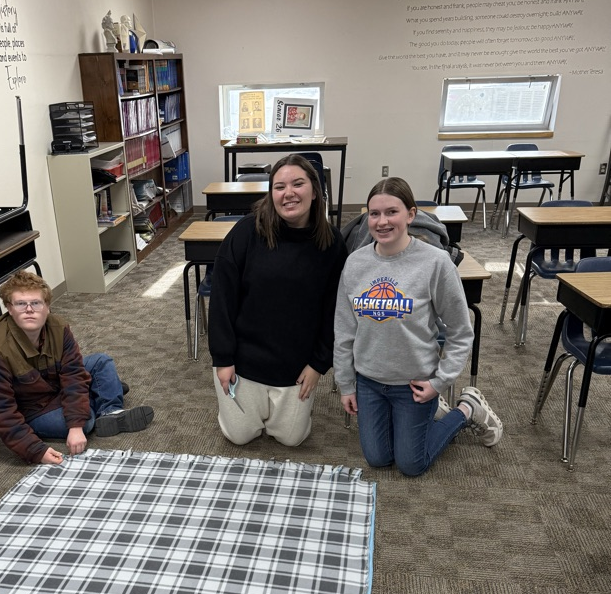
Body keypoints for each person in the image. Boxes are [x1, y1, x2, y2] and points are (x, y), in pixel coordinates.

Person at [334, 176, 502, 476]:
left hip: (414, 384)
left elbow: (461, 332)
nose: (382, 222)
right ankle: (414, 421)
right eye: (374, 214)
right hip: (369, 382)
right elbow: (344, 330)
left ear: (411, 215)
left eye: (392, 212)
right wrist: (346, 384)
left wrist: (440, 382)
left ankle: (465, 409)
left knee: (412, 464)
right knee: (377, 459)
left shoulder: (435, 263)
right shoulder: (355, 263)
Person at [208, 153, 347, 446]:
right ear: (271, 193)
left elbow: (334, 311)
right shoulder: (247, 231)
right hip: (243, 360)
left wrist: (318, 364)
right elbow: (222, 298)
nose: (289, 194)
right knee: (239, 435)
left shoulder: (332, 243)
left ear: (315, 190)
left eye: (298, 184)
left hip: (295, 366)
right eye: (279, 187)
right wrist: (223, 359)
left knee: (292, 438)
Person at [0, 271, 153, 464]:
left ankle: (110, 411)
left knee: (101, 361)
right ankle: (102, 391)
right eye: (21, 304)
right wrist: (35, 451)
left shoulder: (59, 327)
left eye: (36, 303)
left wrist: (75, 427)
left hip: (55, 385)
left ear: (47, 307)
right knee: (86, 420)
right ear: (9, 308)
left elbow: (72, 373)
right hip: (32, 409)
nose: (29, 309)